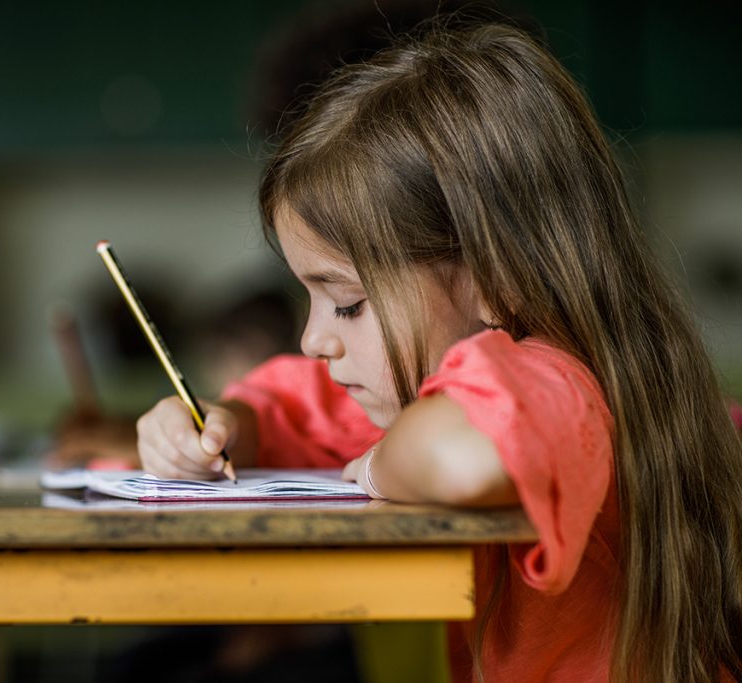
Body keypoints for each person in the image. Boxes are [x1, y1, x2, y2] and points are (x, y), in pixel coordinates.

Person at [135, 20, 742, 682]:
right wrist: (216, 427)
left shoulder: (558, 376)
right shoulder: (439, 387)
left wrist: (379, 467)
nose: (314, 338)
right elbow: (291, 409)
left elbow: (466, 459)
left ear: (495, 277)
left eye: (347, 303)